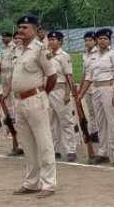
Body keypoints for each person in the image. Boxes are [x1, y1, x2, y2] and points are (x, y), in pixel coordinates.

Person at [9, 15, 57, 199]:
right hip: (19, 101)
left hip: (35, 99)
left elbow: (51, 76)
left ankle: (49, 184)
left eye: (25, 27)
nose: (21, 30)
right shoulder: (18, 50)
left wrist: (43, 93)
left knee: (44, 143)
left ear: (35, 30)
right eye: (20, 27)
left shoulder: (40, 49)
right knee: (28, 144)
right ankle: (32, 182)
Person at [78, 28, 114, 166]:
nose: (102, 41)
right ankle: (103, 152)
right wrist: (81, 93)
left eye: (105, 38)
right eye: (100, 38)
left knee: (113, 122)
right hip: (96, 89)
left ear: (109, 40)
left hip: (109, 88)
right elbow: (88, 77)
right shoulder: (93, 56)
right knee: (101, 122)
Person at [46, 31, 77, 162]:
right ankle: (55, 149)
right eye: (50, 39)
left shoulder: (64, 56)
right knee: (52, 122)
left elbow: (69, 76)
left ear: (60, 41)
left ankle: (71, 150)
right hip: (48, 91)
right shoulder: (46, 56)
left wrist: (67, 93)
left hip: (60, 89)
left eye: (54, 39)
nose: (51, 42)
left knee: (66, 121)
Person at [81, 31, 100, 143]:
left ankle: (101, 131)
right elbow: (84, 72)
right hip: (87, 87)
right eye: (86, 40)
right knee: (91, 111)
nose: (87, 43)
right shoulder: (85, 54)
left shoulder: (98, 53)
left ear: (95, 41)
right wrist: (81, 88)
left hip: (96, 85)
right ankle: (94, 132)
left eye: (90, 40)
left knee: (99, 111)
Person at [0, 32, 17, 118]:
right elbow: (1, 61)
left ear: (10, 37)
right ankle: (9, 114)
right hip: (4, 72)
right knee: (5, 93)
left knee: (12, 93)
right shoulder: (3, 48)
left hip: (11, 72)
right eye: (2, 37)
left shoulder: (14, 47)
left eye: (5, 37)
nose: (3, 38)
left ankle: (15, 114)